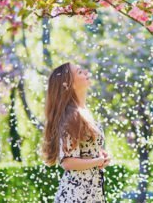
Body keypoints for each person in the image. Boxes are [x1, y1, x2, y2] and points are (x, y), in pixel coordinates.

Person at [41, 62, 111, 202]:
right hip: (76, 196)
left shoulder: (83, 112)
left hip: (90, 193)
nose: (85, 73)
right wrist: (97, 161)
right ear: (69, 84)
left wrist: (100, 154)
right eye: (79, 72)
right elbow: (67, 161)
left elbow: (84, 150)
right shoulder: (71, 116)